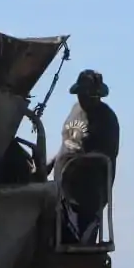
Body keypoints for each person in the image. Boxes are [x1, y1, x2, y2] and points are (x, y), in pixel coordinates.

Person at [52, 69, 119, 245]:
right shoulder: (74, 110)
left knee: (79, 242)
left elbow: (106, 156)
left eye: (90, 95)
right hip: (62, 190)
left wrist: (77, 162)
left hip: (87, 195)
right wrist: (51, 163)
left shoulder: (107, 119)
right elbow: (67, 142)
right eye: (82, 94)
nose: (84, 99)